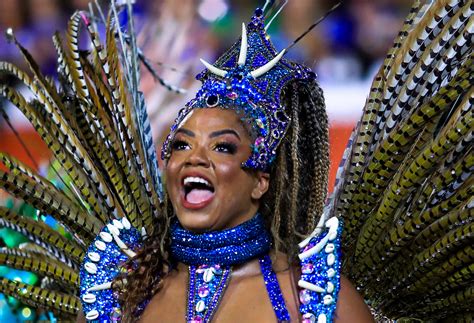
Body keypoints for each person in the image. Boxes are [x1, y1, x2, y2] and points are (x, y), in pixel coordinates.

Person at [0, 1, 471, 322]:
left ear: (260, 181)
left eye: (222, 147)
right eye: (181, 145)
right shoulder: (120, 291)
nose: (193, 158)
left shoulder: (316, 301)